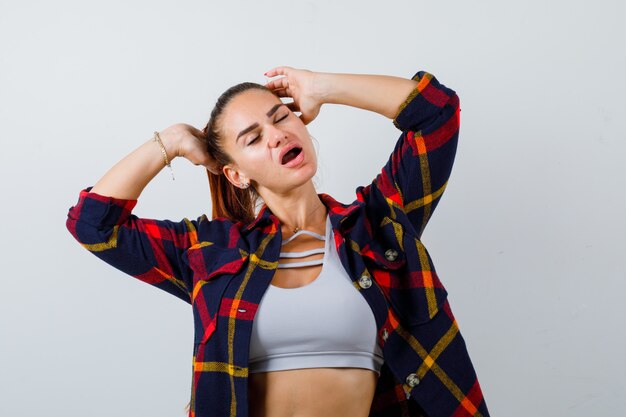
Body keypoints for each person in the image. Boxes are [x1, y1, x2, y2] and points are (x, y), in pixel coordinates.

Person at [66, 66, 490, 417]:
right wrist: (173, 141)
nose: (276, 135)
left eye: (280, 117)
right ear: (236, 174)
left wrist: (323, 86)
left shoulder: (378, 224)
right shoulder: (211, 251)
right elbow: (94, 225)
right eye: (252, 138)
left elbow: (436, 113)